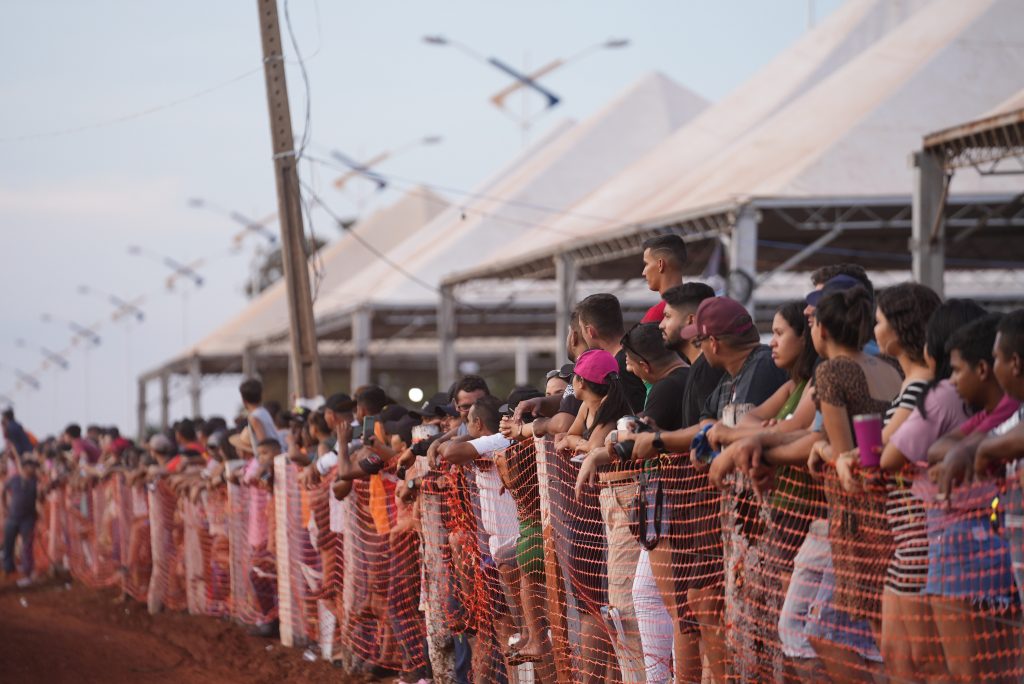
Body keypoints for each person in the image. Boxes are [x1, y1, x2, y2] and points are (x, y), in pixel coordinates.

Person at [804, 285, 902, 682]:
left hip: (860, 516)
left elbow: (846, 457)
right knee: (901, 632)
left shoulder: (833, 371)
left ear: (823, 329)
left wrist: (821, 448)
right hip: (900, 505)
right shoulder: (891, 366)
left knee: (882, 635)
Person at [558, 349, 634, 682]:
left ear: (581, 382)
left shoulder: (610, 411)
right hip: (592, 507)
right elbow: (569, 438)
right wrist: (580, 443)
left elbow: (592, 446)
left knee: (615, 602)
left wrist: (579, 444)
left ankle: (616, 674)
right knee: (594, 598)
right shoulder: (587, 406)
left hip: (615, 506)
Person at [659, 282, 722, 428]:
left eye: (667, 316)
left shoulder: (707, 369)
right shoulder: (699, 366)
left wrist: (657, 436)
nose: (661, 325)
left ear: (691, 321)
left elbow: (709, 430)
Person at [3, 458, 40, 586]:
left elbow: (41, 496)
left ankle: (28, 574)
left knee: (26, 547)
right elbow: (3, 490)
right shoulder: (14, 479)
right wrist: (4, 507)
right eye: (31, 466)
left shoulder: (36, 481)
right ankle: (8, 569)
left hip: (28, 520)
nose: (34, 469)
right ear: (24, 467)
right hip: (12, 518)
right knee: (8, 545)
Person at [640, 234, 688, 323]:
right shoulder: (699, 307)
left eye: (646, 264)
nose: (643, 272)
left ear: (660, 264)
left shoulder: (657, 313)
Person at [239, 378, 287, 454]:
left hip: (272, 455)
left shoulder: (254, 417)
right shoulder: (264, 411)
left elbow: (264, 443)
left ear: (244, 400)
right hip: (278, 452)